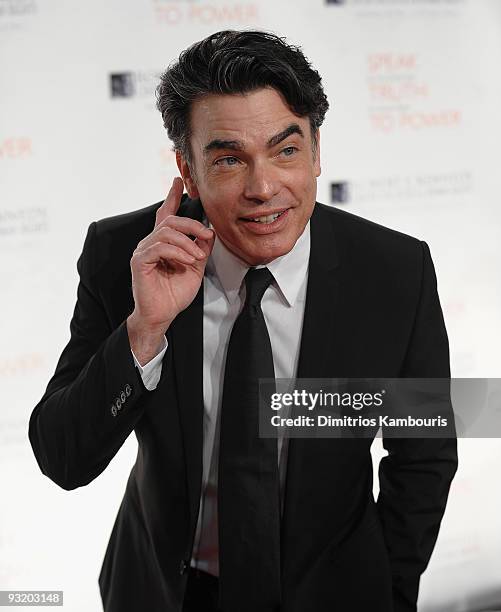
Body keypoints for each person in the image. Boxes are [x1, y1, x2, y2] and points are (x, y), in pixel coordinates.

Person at [28, 30, 457, 612]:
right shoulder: (121, 255)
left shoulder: (394, 272)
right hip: (163, 593)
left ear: (316, 150)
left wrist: (388, 588)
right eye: (229, 159)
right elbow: (63, 459)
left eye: (286, 150)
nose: (263, 188)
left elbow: (425, 451)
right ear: (187, 168)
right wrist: (144, 331)